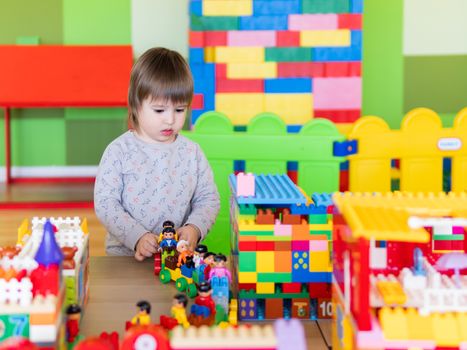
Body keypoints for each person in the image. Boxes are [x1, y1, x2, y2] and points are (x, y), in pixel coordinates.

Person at [94, 47, 220, 261]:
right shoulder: (119, 151)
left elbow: (208, 198)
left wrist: (195, 228)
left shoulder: (192, 153)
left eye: (180, 110)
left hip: (179, 258)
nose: (170, 119)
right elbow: (106, 204)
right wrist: (137, 237)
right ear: (136, 105)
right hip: (126, 258)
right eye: (160, 110)